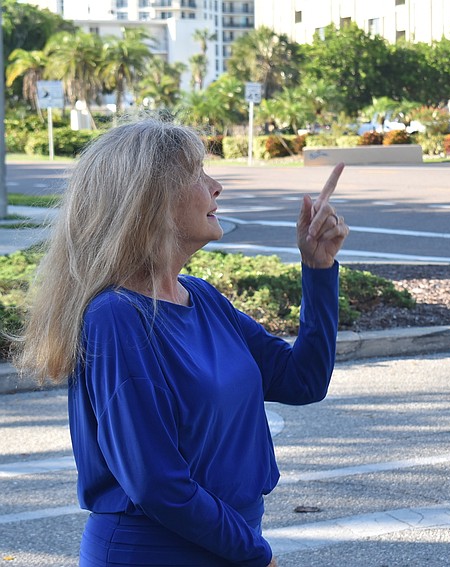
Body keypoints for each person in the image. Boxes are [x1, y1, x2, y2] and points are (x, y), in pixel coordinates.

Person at [12, 118, 349, 567]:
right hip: (155, 551)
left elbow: (303, 380)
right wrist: (255, 555)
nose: (217, 186)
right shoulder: (115, 319)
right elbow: (158, 484)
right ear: (151, 201)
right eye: (198, 174)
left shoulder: (203, 297)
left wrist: (319, 269)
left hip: (231, 541)